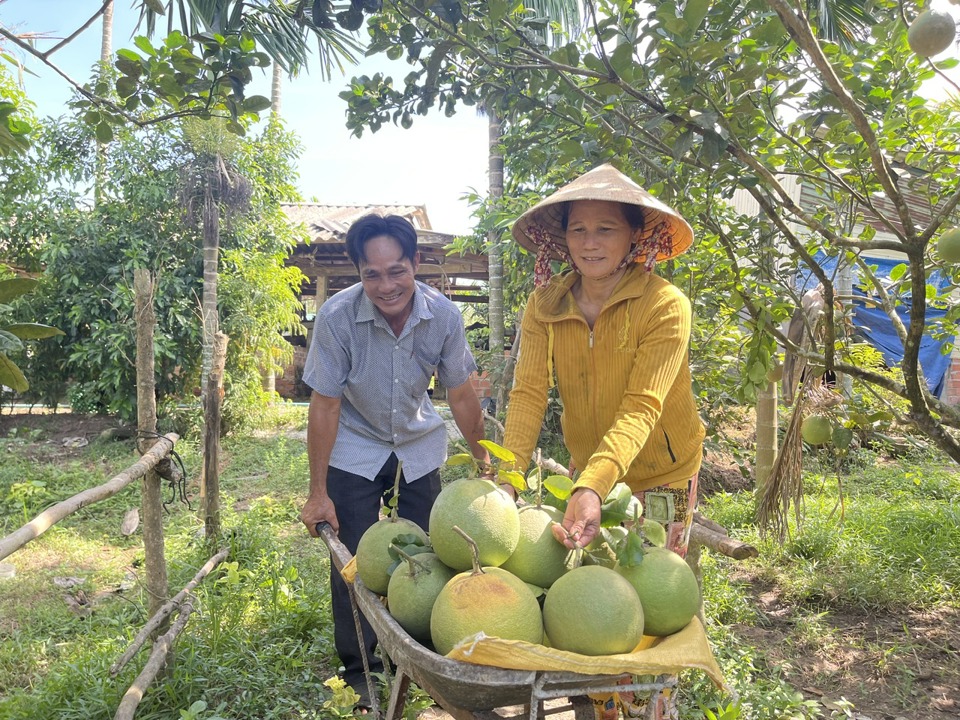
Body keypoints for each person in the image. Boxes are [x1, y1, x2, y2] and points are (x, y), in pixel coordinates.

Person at [502, 164, 705, 719]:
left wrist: (592, 485)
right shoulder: (545, 305)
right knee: (597, 602)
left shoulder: (664, 304)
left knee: (651, 604)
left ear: (635, 235)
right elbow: (527, 394)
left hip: (661, 470)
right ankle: (604, 709)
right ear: (561, 237)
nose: (590, 244)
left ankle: (653, 709)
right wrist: (507, 478)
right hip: (589, 469)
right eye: (578, 229)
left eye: (606, 229)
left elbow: (643, 405)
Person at [299, 213, 489, 711]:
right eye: (372, 274)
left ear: (416, 264)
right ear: (358, 273)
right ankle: (360, 665)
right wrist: (318, 492)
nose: (386, 286)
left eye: (397, 271)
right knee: (356, 562)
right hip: (354, 445)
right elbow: (324, 405)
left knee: (433, 554)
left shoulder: (444, 317)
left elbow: (462, 393)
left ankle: (422, 653)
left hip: (418, 441)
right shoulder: (337, 318)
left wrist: (485, 462)